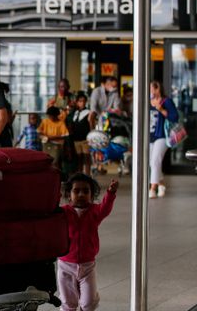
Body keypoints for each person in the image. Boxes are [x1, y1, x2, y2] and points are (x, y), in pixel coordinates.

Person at [58, 173, 118, 311]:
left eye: (86, 191)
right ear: (68, 194)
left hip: (87, 266)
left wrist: (111, 193)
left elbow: (105, 208)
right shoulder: (63, 213)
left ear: (91, 195)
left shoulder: (95, 212)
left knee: (88, 303)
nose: (81, 194)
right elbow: (50, 211)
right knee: (67, 302)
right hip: (65, 265)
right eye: (76, 191)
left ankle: (89, 303)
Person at [149, 80, 178, 199]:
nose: (150, 91)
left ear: (157, 89)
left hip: (162, 136)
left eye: (152, 88)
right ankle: (161, 184)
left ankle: (152, 189)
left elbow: (175, 117)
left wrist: (161, 109)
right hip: (150, 136)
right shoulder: (147, 101)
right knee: (152, 163)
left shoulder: (166, 101)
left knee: (155, 161)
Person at [70, 92, 92, 176]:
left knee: (86, 159)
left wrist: (91, 138)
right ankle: (79, 176)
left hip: (85, 140)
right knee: (78, 159)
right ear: (77, 102)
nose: (82, 103)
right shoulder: (74, 113)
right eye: (80, 101)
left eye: (83, 101)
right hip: (76, 140)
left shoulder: (88, 112)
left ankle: (87, 176)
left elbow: (91, 126)